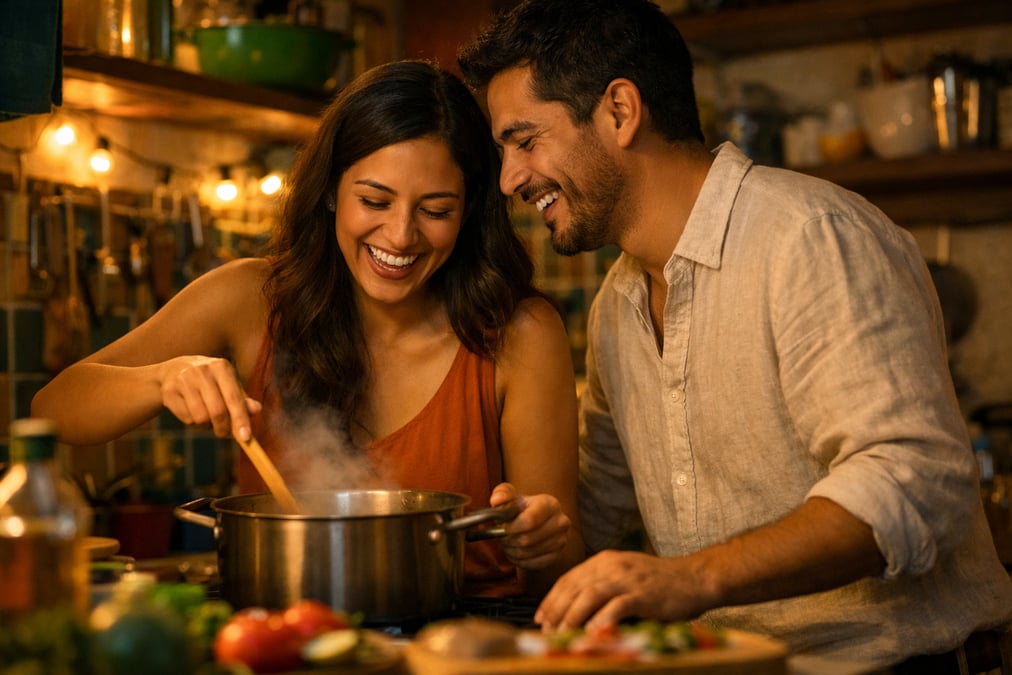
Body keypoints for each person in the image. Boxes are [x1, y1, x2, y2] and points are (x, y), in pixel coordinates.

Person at [458, 0, 1012, 668]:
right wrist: (550, 542)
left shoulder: (809, 237)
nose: (512, 177)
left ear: (620, 111)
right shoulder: (616, 308)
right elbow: (594, 527)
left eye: (525, 140)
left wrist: (689, 578)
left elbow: (914, 480)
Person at [31, 59, 585, 599]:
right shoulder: (251, 299)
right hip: (281, 637)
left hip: (467, 644)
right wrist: (161, 380)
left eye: (435, 210)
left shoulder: (521, 334)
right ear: (328, 193)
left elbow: (554, 579)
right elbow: (52, 412)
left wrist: (541, 543)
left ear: (468, 215)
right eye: (373, 200)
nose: (400, 235)